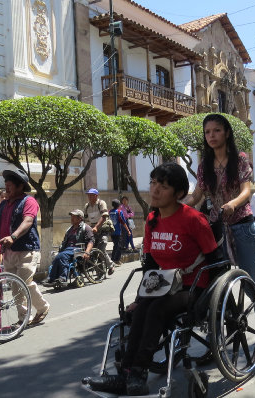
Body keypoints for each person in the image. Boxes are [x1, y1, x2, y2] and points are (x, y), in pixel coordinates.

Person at [85, 162, 221, 396]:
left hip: (193, 285)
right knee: (140, 310)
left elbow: (215, 259)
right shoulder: (152, 220)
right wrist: (139, 297)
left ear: (178, 194)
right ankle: (125, 374)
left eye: (164, 186)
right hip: (163, 285)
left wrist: (210, 300)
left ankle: (138, 373)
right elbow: (150, 265)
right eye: (153, 183)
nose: (155, 190)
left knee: (157, 308)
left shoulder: (193, 219)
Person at [184, 113, 255, 343]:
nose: (211, 136)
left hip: (242, 225)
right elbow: (197, 195)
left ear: (227, 133)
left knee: (247, 280)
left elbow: (246, 190)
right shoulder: (204, 165)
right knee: (219, 283)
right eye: (207, 132)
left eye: (216, 131)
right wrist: (178, 204)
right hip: (216, 229)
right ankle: (231, 323)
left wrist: (232, 204)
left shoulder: (240, 159)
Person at [0, 169, 50, 325]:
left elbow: (27, 221)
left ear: (20, 186)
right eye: (6, 185)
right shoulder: (3, 205)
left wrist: (13, 236)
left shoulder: (29, 201)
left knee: (22, 282)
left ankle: (28, 315)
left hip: (27, 249)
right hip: (9, 252)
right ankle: (34, 311)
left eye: (10, 185)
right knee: (16, 285)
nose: (6, 188)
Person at [42, 209, 94, 287]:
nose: (72, 218)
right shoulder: (69, 229)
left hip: (79, 249)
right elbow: (64, 242)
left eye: (74, 217)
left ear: (80, 218)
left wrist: (87, 252)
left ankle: (62, 278)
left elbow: (91, 240)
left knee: (62, 256)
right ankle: (52, 278)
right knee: (57, 257)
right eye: (71, 216)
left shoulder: (86, 227)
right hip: (68, 250)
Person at [84, 188, 114, 275]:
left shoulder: (101, 203)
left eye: (91, 195)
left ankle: (111, 265)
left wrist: (96, 227)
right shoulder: (87, 206)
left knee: (101, 249)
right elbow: (85, 219)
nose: (89, 197)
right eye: (88, 195)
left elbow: (104, 216)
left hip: (102, 229)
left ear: (96, 196)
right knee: (93, 251)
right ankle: (99, 271)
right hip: (92, 230)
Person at [109, 199, 131, 266]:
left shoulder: (110, 212)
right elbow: (123, 222)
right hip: (118, 232)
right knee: (118, 246)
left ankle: (116, 260)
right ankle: (114, 260)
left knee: (116, 245)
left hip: (111, 232)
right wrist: (128, 230)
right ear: (118, 205)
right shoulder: (119, 212)